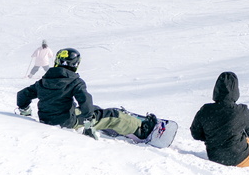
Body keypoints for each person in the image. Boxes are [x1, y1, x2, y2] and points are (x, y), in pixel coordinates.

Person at [16, 47, 159, 140]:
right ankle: (141, 129)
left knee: (95, 109)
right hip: (67, 122)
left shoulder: (44, 80)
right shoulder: (74, 81)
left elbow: (22, 95)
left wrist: (25, 110)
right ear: (76, 64)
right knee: (113, 115)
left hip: (47, 119)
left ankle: (106, 125)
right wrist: (88, 124)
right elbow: (85, 102)